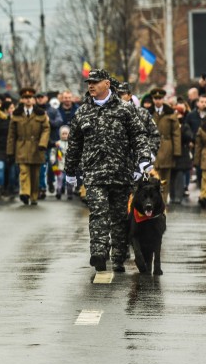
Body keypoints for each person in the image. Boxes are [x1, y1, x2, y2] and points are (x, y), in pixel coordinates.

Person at [64, 69, 158, 273]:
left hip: (120, 173)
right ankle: (98, 252)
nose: (91, 85)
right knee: (98, 213)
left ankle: (117, 257)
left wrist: (143, 159)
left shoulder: (124, 109)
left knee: (118, 218)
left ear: (107, 84)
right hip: (94, 173)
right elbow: (74, 144)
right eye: (89, 82)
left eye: (95, 82)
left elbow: (139, 135)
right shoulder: (82, 112)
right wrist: (70, 170)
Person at [7, 87, 51, 206]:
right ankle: (25, 193)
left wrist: (43, 143)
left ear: (34, 100)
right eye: (25, 98)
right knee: (24, 171)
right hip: (21, 147)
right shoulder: (16, 114)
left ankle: (34, 196)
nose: (28, 100)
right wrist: (10, 151)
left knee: (35, 174)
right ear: (22, 100)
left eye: (30, 98)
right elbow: (11, 134)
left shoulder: (40, 114)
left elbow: (46, 129)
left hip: (37, 147)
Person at [149, 89, 181, 204]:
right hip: (152, 147)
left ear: (163, 99)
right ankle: (154, 201)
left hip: (167, 147)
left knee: (166, 177)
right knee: (153, 177)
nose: (157, 101)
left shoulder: (170, 113)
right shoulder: (149, 112)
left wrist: (177, 151)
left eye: (160, 98)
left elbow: (176, 133)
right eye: (155, 99)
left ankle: (163, 200)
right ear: (153, 99)